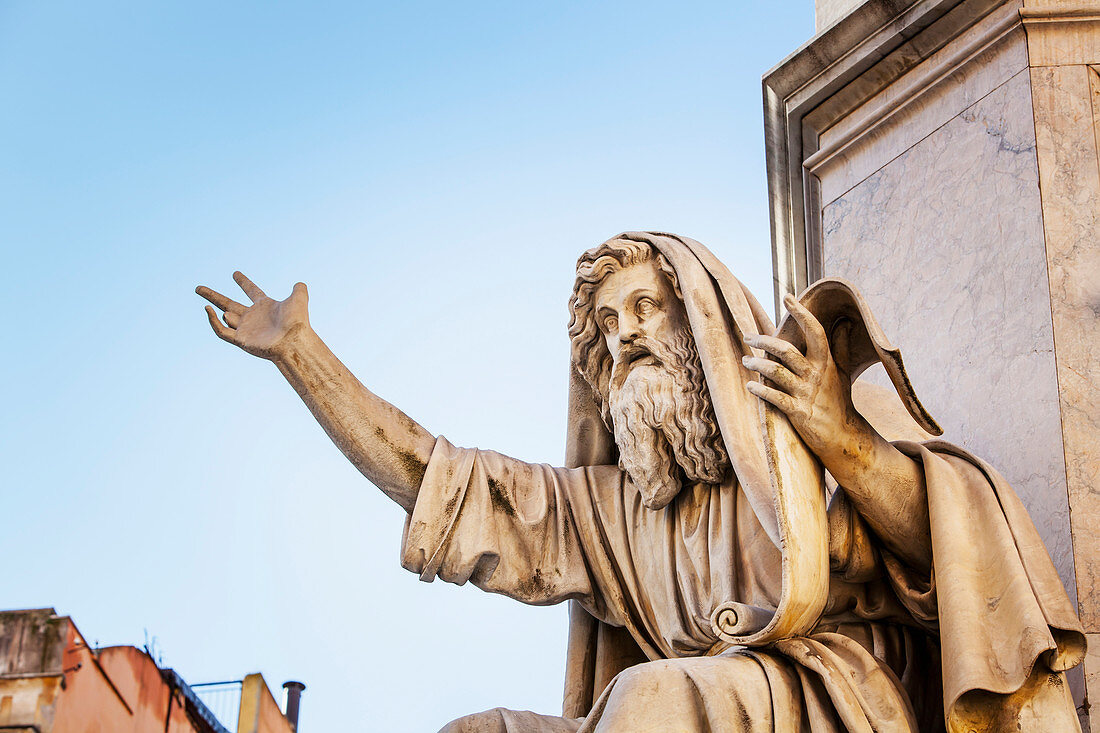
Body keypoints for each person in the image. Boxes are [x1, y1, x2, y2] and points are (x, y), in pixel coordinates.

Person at [197, 232, 1084, 732]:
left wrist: (839, 434)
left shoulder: (794, 420)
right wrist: (301, 357)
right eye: (608, 324)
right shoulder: (615, 512)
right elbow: (439, 478)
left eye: (644, 308)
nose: (624, 335)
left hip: (836, 703)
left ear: (698, 323)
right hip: (685, 716)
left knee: (654, 697)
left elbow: (951, 542)